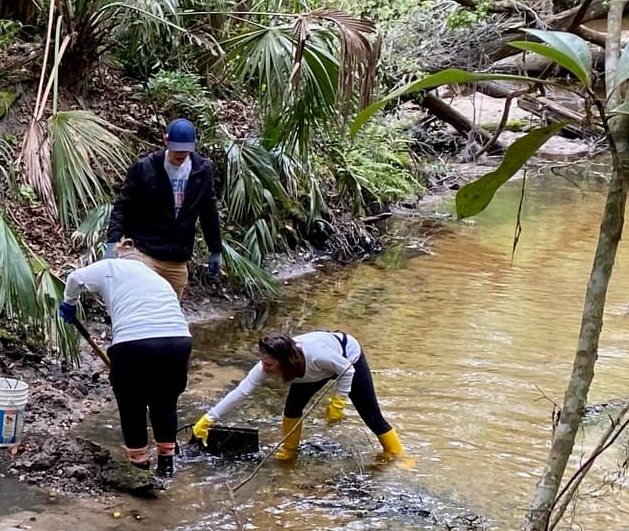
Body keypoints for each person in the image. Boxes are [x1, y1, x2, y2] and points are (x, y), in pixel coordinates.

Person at [59, 255, 192, 478]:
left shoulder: (110, 265)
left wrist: (69, 302)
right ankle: (167, 466)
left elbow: (75, 278)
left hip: (134, 343)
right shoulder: (157, 278)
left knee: (132, 406)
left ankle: (139, 469)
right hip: (177, 341)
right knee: (165, 403)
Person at [193, 331, 404, 462]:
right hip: (315, 371)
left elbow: (347, 370)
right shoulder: (267, 365)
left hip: (349, 358)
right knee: (292, 409)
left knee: (371, 415)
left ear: (285, 361)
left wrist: (338, 401)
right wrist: (209, 418)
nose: (264, 369)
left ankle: (397, 455)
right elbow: (241, 392)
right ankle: (289, 451)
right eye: (263, 362)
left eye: (269, 364)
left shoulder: (317, 355)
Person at [104, 117, 223, 299]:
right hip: (143, 252)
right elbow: (123, 207)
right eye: (177, 150)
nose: (180, 156)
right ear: (166, 140)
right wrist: (112, 242)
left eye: (185, 151)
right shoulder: (144, 168)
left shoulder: (202, 170)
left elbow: (208, 212)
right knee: (143, 306)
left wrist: (215, 249)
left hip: (177, 258)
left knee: (168, 317)